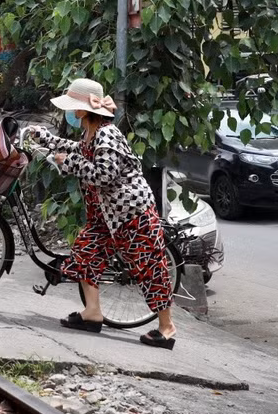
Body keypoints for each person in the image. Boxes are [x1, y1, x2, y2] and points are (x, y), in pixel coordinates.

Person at [25, 78, 176, 350]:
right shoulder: (91, 131)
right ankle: (92, 313)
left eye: (74, 108)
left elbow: (104, 175)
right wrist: (45, 138)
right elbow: (76, 149)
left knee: (149, 269)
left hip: (131, 214)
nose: (71, 113)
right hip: (104, 216)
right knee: (85, 254)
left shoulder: (107, 134)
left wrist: (68, 163)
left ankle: (166, 327)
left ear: (84, 110)